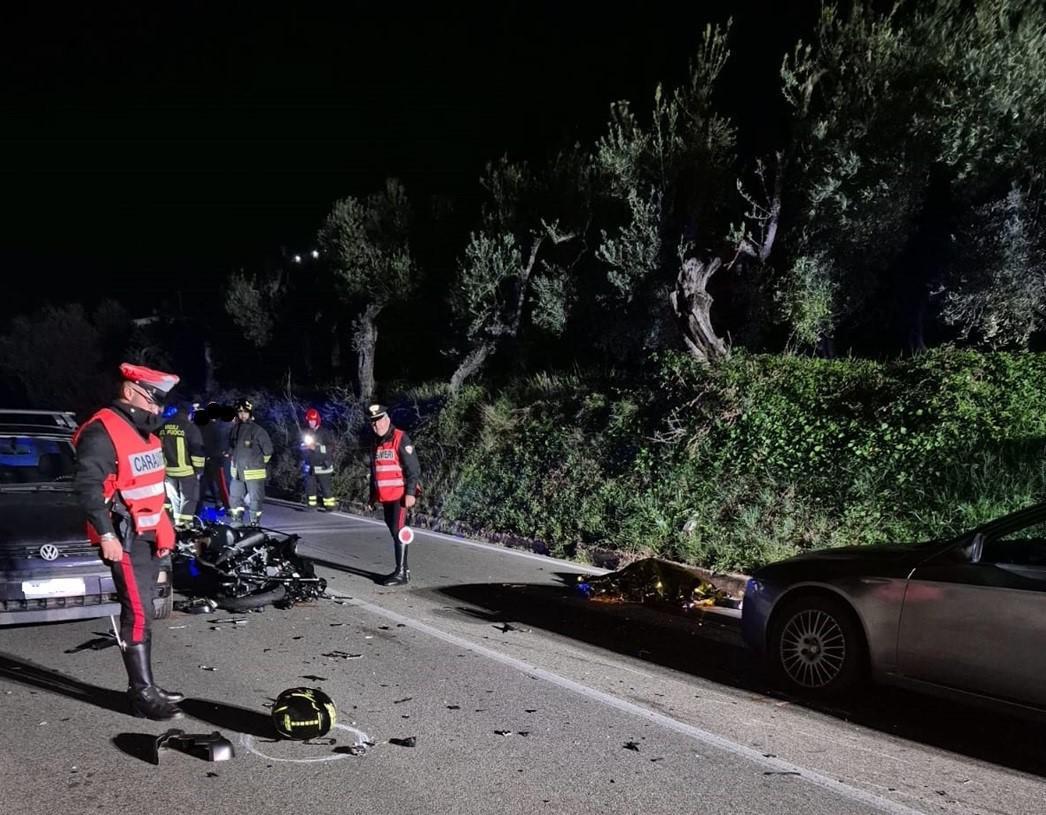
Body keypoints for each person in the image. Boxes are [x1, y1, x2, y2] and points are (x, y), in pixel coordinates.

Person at [72, 362, 184, 721]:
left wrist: (164, 527)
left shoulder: (144, 433)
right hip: (123, 535)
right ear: (131, 392)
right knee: (136, 611)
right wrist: (106, 534)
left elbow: (149, 488)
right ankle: (141, 694)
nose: (157, 409)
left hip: (148, 534)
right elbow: (88, 488)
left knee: (146, 610)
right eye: (154, 401)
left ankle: (147, 684)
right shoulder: (102, 431)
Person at [366, 403, 420, 586]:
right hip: (386, 496)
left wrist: (411, 493)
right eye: (373, 423)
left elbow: (413, 468)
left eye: (379, 421)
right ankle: (403, 569)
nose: (377, 426)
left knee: (399, 532)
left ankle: (401, 573)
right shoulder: (375, 442)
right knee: (394, 532)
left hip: (400, 495)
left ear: (387, 419)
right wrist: (372, 496)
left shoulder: (400, 438)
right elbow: (375, 472)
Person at [158, 403, 205, 527]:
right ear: (189, 414)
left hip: (168, 471)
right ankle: (184, 527)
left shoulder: (164, 426)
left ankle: (174, 523)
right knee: (189, 499)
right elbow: (197, 451)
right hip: (187, 471)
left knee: (174, 498)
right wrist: (199, 470)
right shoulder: (190, 428)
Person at [228, 399, 273, 526]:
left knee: (255, 500)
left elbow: (268, 451)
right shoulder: (235, 429)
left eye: (245, 412)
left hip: (254, 472)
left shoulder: (258, 431)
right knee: (235, 498)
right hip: (237, 472)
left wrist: (257, 463)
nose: (242, 414)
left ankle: (254, 523)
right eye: (240, 412)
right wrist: (229, 454)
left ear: (250, 413)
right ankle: (237, 521)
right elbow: (232, 446)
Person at [198, 401, 232, 511]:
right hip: (216, 459)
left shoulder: (203, 425)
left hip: (205, 459)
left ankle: (198, 508)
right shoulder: (218, 426)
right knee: (220, 484)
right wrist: (224, 452)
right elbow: (221, 442)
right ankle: (226, 506)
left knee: (204, 484)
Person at [301, 407, 336, 511]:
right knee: (310, 487)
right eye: (309, 421)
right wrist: (303, 447)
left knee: (325, 488)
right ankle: (311, 505)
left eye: (312, 420)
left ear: (317, 420)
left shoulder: (325, 432)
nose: (311, 423)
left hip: (323, 465)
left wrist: (316, 447)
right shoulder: (307, 432)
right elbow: (302, 444)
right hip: (311, 466)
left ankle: (330, 506)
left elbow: (331, 448)